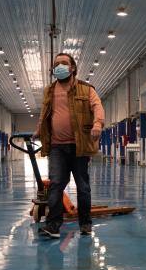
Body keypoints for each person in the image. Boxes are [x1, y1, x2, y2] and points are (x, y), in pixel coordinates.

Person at [35, 53, 104, 238]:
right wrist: (39, 129)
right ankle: (53, 226)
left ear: (72, 67)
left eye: (64, 63)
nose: (60, 66)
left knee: (83, 187)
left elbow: (97, 106)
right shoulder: (49, 90)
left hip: (79, 146)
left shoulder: (85, 89)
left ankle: (85, 224)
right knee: (56, 184)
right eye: (56, 64)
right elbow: (44, 113)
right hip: (57, 147)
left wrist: (98, 124)